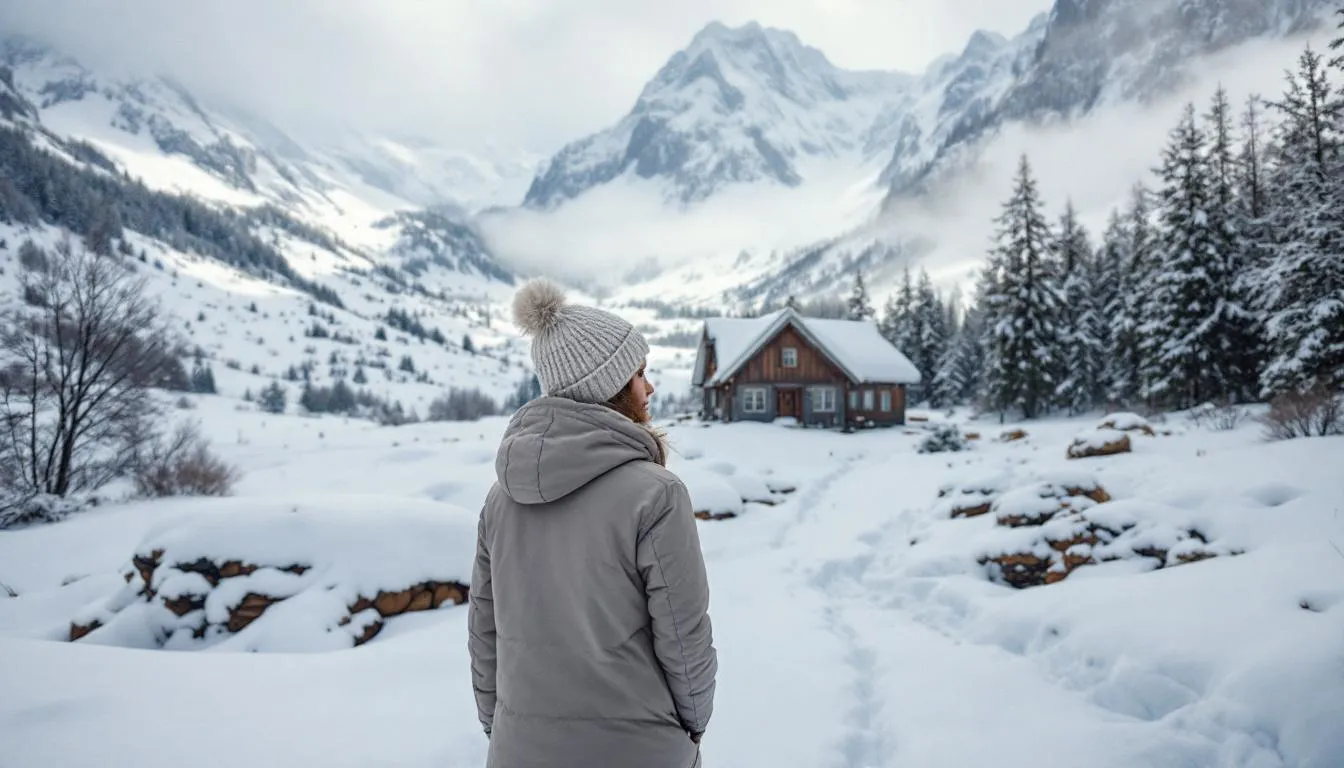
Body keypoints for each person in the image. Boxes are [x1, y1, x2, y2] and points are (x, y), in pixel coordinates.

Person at [468, 278, 717, 768]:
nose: (649, 387)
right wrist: (689, 731)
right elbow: (685, 638)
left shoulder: (500, 500)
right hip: (638, 749)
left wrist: (502, 731)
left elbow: (485, 633)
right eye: (639, 374)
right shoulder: (657, 494)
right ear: (611, 385)